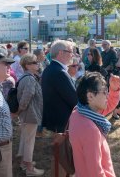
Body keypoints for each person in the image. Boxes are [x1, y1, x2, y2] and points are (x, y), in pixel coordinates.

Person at [69, 72, 120, 177]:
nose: (107, 95)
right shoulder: (90, 130)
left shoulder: (78, 112)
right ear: (90, 96)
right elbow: (95, 173)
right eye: (104, 92)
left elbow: (107, 106)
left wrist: (114, 90)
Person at [41, 40, 77, 176]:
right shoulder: (59, 71)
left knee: (60, 157)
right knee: (62, 158)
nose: (72, 54)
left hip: (57, 120)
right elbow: (74, 99)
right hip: (62, 123)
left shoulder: (53, 69)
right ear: (61, 53)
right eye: (70, 51)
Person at [16, 54, 44, 176]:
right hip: (30, 115)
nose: (37, 64)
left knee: (25, 139)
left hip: (27, 115)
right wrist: (20, 111)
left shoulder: (27, 77)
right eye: (34, 62)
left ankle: (23, 163)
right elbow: (26, 97)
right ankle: (29, 168)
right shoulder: (29, 79)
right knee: (29, 141)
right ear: (27, 65)